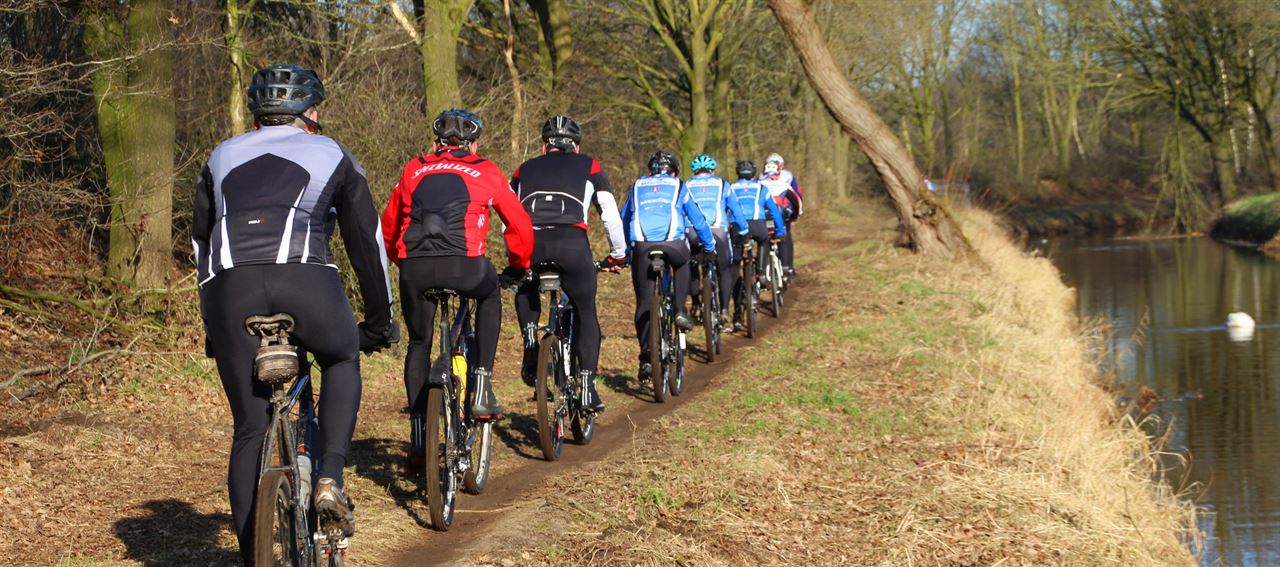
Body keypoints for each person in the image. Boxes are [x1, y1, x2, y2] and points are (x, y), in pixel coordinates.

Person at [193, 64, 396, 562]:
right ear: (311, 114)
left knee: (250, 428)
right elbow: (366, 242)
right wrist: (379, 320)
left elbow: (201, 242)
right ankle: (329, 477)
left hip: (230, 291)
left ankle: (255, 556)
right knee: (342, 357)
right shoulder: (331, 152)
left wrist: (214, 326)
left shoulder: (220, 155)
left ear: (257, 117)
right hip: (307, 282)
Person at [381, 108, 534, 469]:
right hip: (465, 267)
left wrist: (403, 261)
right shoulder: (486, 169)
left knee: (419, 343)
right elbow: (519, 225)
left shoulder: (413, 169)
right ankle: (481, 385)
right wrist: (519, 264)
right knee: (490, 292)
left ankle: (419, 438)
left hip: (415, 269)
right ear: (473, 144)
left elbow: (389, 225)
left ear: (436, 143)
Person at [509, 115, 627, 413]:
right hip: (571, 245)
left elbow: (508, 215)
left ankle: (530, 341)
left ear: (543, 146)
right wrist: (618, 254)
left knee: (525, 286)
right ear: (576, 146)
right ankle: (587, 386)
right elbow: (610, 215)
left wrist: (515, 254)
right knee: (585, 311)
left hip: (532, 243)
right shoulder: (590, 165)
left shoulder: (523, 169)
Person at [620, 150, 715, 379]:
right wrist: (709, 246)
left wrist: (626, 251)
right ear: (674, 172)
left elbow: (624, 219)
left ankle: (646, 358)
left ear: (650, 171)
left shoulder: (636, 186)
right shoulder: (679, 185)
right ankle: (680, 310)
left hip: (642, 247)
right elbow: (698, 219)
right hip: (673, 245)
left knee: (644, 303)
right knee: (683, 263)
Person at [684, 153, 748, 321]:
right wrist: (743, 230)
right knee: (724, 269)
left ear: (694, 171)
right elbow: (736, 210)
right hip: (718, 230)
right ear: (712, 170)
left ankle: (696, 303)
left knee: (691, 266)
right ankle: (724, 310)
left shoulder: (686, 185)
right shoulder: (723, 184)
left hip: (693, 231)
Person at [759, 153, 804, 280]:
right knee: (785, 237)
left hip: (763, 215)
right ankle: (787, 268)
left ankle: (761, 272)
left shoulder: (760, 179)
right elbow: (797, 195)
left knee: (764, 240)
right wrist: (797, 213)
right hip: (784, 212)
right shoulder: (787, 176)